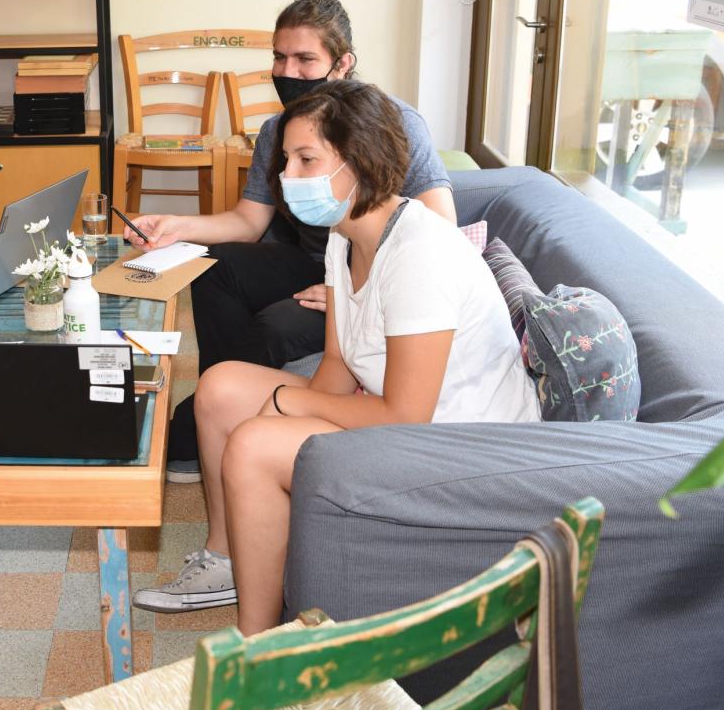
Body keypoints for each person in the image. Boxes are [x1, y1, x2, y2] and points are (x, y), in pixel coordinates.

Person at [132, 81, 539, 633]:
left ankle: (258, 644)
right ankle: (227, 561)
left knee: (255, 444)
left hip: (463, 452)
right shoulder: (344, 238)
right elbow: (338, 366)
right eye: (286, 161)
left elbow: (406, 416)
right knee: (221, 386)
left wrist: (287, 407)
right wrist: (290, 409)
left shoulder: (420, 253)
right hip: (409, 423)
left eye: (306, 160)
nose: (287, 177)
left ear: (361, 162)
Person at [123, 0, 454, 481]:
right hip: (320, 260)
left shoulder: (394, 124)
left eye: (305, 59)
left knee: (276, 327)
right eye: (279, 57)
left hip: (373, 278)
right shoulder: (279, 129)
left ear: (343, 64)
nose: (287, 71)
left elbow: (440, 228)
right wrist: (177, 226)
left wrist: (355, 292)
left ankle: (197, 424)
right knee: (215, 266)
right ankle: (219, 406)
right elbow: (248, 221)